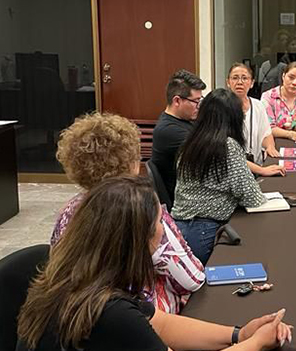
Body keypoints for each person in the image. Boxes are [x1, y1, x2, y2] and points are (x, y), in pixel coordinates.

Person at [0, 177, 292, 351]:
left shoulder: (83, 278)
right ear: (137, 241)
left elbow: (159, 323)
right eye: (158, 224)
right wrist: (255, 345)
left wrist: (237, 334)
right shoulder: (105, 311)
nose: (162, 231)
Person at [51, 112, 204, 314]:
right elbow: (191, 279)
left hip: (85, 319)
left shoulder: (68, 212)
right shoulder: (143, 209)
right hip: (146, 322)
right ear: (130, 163)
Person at [172, 88, 267, 264]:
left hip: (180, 228)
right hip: (205, 231)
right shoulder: (228, 146)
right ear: (234, 117)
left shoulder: (190, 142)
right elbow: (251, 197)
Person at [151, 70, 207, 201]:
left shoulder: (185, 120)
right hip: (187, 203)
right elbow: (216, 154)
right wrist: (261, 170)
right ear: (177, 101)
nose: (199, 106)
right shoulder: (169, 131)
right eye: (196, 101)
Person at [226, 63, 285, 177]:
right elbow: (226, 155)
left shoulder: (258, 105)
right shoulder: (220, 107)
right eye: (235, 78)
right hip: (230, 171)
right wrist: (261, 170)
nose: (239, 82)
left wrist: (270, 147)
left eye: (244, 78)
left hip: (255, 167)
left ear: (252, 83)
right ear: (228, 82)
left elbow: (266, 133)